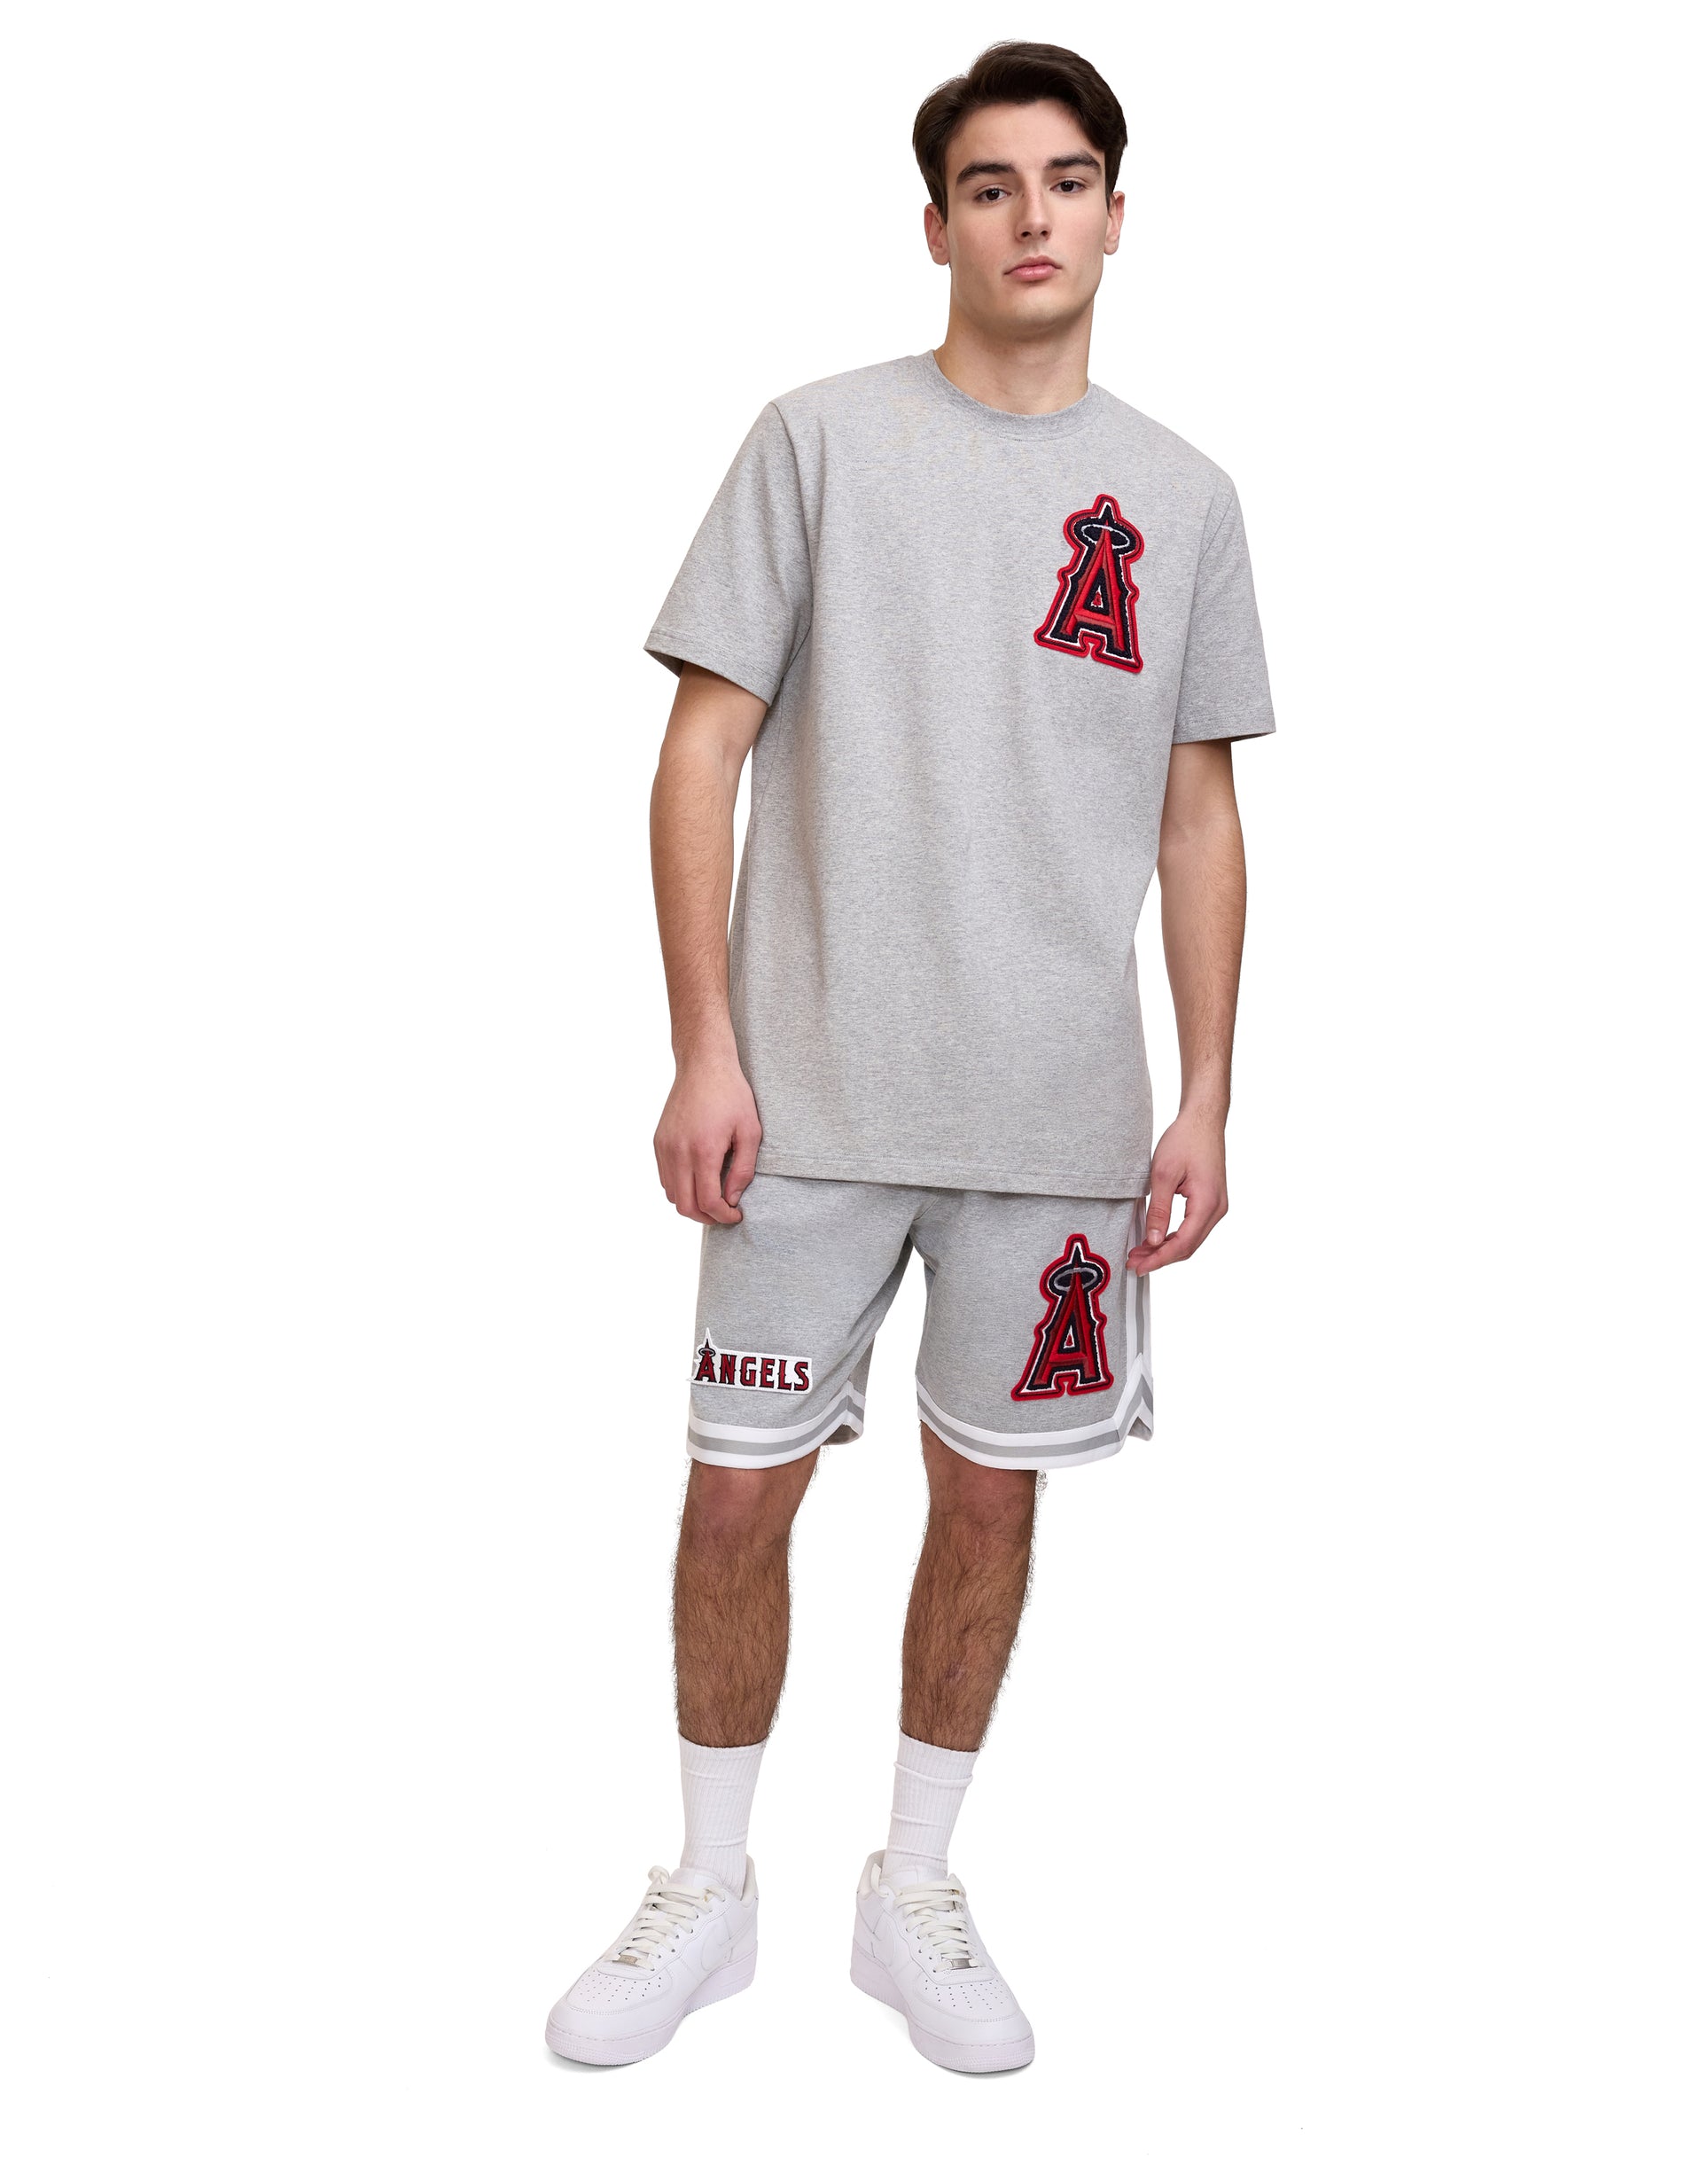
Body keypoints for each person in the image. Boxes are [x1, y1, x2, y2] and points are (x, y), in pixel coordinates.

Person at [546, 39, 1275, 2074]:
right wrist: (702, 1043)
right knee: (732, 1497)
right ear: (936, 223)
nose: (1032, 214)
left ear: (1116, 214)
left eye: (1067, 178)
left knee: (989, 1500)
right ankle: (708, 1886)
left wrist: (1207, 1090)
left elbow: (1197, 814)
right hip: (807, 1095)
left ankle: (915, 1887)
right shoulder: (816, 442)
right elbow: (699, 748)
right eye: (988, 184)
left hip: (1053, 1121)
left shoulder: (1183, 497)